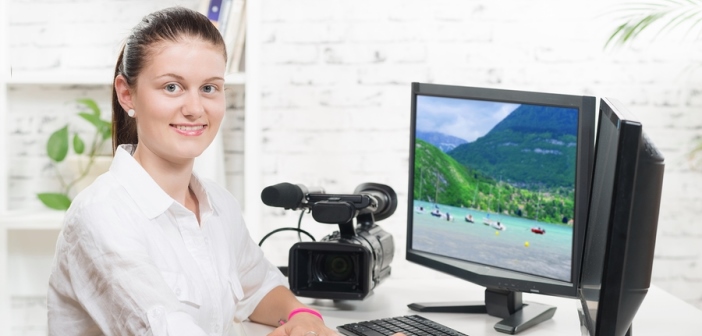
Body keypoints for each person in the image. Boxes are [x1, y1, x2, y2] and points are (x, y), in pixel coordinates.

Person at [47, 7, 406, 336]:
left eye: (209, 88)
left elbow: (260, 286)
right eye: (172, 87)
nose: (194, 108)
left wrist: (302, 319)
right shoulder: (101, 215)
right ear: (127, 95)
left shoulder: (217, 204)